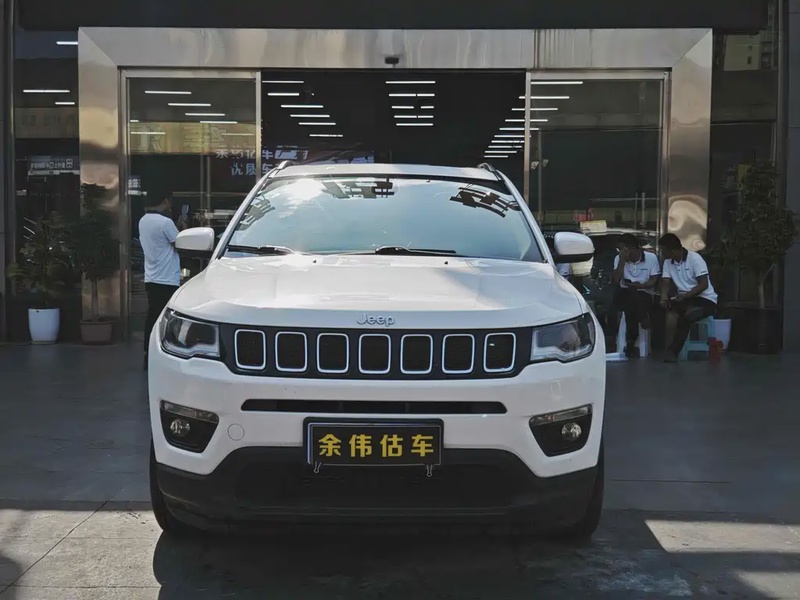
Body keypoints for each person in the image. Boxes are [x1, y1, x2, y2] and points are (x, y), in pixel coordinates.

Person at [139, 186, 183, 368]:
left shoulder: (143, 220)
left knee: (152, 316)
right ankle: (160, 355)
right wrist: (183, 227)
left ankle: (148, 353)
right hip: (167, 279)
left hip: (151, 277)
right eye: (169, 202)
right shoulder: (165, 223)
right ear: (165, 201)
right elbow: (180, 243)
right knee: (165, 320)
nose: (170, 206)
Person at [658, 233, 718, 362]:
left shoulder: (695, 259)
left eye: (663, 250)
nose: (662, 253)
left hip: (705, 299)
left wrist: (685, 296)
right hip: (685, 299)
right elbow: (665, 282)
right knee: (662, 309)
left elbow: (704, 284)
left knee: (686, 317)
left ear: (673, 250)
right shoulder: (668, 262)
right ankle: (661, 347)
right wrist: (663, 298)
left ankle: (673, 352)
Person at [611, 234, 661, 357]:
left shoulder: (651, 258)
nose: (620, 252)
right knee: (630, 295)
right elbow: (616, 279)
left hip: (644, 293)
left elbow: (653, 280)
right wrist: (622, 261)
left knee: (632, 306)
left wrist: (641, 286)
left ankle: (630, 343)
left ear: (632, 249)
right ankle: (643, 318)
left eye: (621, 249)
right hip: (624, 293)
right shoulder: (619, 258)